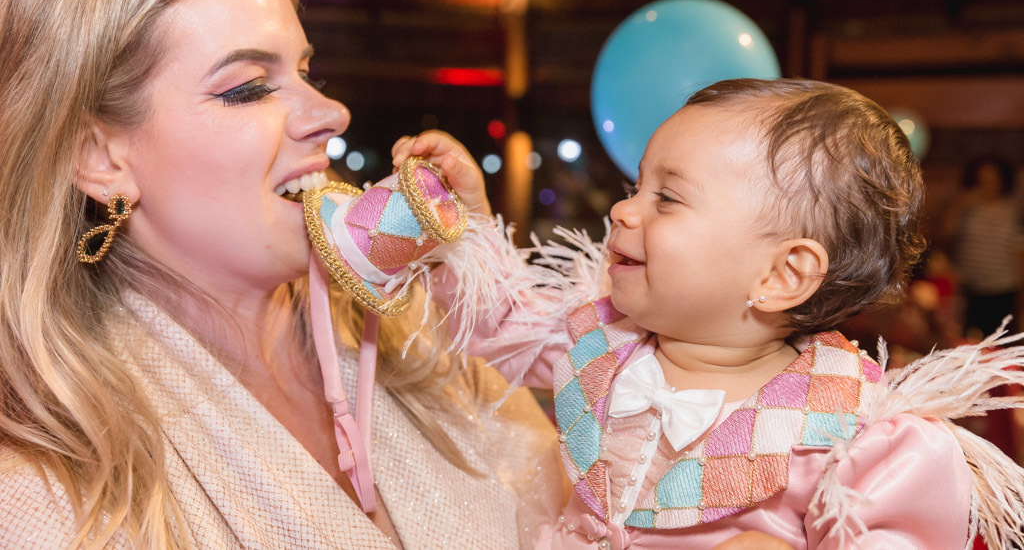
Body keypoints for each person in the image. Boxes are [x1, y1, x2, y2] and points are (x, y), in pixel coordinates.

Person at [0, 0, 564, 548]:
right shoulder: (42, 496)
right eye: (246, 88)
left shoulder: (432, 350)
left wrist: (480, 284)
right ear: (99, 158)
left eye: (304, 72)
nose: (332, 111)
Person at [392, 79, 1024, 549]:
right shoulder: (603, 345)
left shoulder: (850, 436)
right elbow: (498, 320)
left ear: (780, 275)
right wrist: (466, 221)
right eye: (634, 187)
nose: (623, 211)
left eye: (666, 197)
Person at [940, 155, 1024, 338]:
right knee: (969, 341)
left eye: (993, 179)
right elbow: (945, 235)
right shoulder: (966, 207)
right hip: (970, 287)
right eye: (983, 179)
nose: (988, 184)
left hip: (1004, 287)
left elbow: (1018, 251)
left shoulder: (1013, 210)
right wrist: (959, 205)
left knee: (1003, 341)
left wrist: (1021, 291)